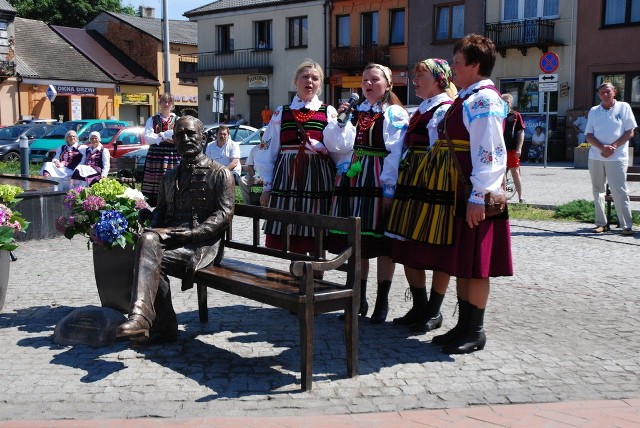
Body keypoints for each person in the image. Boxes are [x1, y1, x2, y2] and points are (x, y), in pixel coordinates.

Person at [400, 34, 512, 354]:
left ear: (475, 65)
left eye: (458, 62)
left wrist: (479, 196)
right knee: (465, 261)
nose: (453, 68)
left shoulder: (484, 99)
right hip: (463, 192)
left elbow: (490, 151)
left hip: (477, 195)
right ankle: (462, 327)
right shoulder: (468, 96)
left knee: (477, 265)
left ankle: (474, 330)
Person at [116, 115, 235, 344]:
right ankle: (155, 321)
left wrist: (193, 234)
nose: (186, 139)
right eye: (180, 135)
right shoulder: (169, 176)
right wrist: (147, 221)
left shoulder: (220, 173)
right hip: (172, 239)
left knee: (147, 249)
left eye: (191, 134)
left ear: (203, 138)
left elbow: (223, 215)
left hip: (202, 245)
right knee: (147, 245)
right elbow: (160, 211)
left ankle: (153, 321)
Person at [323, 64, 408, 324]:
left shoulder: (393, 113)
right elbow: (337, 145)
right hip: (355, 177)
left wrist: (389, 188)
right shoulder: (356, 112)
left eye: (374, 80)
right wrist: (340, 121)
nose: (368, 85)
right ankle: (358, 298)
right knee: (357, 241)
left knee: (381, 242)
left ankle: (382, 301)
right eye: (364, 81)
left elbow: (396, 152)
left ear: (388, 84)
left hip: (379, 177)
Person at [385, 58, 456, 332]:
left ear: (439, 80)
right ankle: (419, 305)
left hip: (433, 183)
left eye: (421, 76)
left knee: (434, 246)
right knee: (407, 245)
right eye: (415, 76)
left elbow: (440, 150)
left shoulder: (444, 109)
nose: (415, 80)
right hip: (411, 180)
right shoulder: (420, 110)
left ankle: (434, 310)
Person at [254, 59, 338, 253]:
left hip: (318, 176)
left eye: (315, 78)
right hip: (287, 176)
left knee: (317, 223)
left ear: (320, 85)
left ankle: (317, 273)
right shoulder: (281, 113)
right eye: (305, 77)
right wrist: (267, 186)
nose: (309, 81)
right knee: (291, 228)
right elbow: (268, 150)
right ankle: (296, 275)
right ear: (295, 81)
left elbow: (337, 151)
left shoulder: (328, 112)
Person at [585, 82, 637, 236]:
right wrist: (602, 148)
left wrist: (613, 147)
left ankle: (626, 225)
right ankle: (601, 223)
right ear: (598, 95)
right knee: (598, 191)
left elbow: (630, 131)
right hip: (596, 156)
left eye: (608, 91)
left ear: (614, 92)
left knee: (619, 191)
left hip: (617, 157)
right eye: (602, 93)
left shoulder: (624, 107)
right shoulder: (594, 111)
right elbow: (588, 134)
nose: (605, 95)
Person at [141, 93, 180, 206]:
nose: (166, 104)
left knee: (172, 176)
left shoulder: (178, 120)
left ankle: (172, 199)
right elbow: (148, 138)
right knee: (156, 177)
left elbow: (178, 136)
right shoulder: (152, 120)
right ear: (160, 103)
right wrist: (164, 136)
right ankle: (154, 200)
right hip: (156, 154)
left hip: (172, 154)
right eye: (163, 101)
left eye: (168, 102)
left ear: (172, 104)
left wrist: (159, 135)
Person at [502, 93, 526, 202]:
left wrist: (519, 148)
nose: (504, 104)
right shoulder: (497, 114)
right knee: (501, 173)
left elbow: (521, 131)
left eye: (506, 102)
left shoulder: (515, 115)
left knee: (515, 172)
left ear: (511, 103)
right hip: (500, 149)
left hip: (512, 148)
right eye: (502, 101)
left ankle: (521, 197)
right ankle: (502, 197)